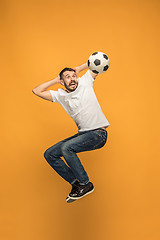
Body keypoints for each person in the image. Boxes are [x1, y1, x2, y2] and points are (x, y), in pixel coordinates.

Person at [32, 62, 110, 203]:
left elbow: (96, 62)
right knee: (50, 154)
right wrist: (56, 80)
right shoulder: (60, 95)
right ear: (62, 82)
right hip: (83, 135)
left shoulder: (85, 82)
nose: (73, 79)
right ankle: (77, 184)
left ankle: (85, 184)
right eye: (68, 77)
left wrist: (79, 69)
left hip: (98, 134)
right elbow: (37, 91)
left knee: (66, 148)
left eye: (74, 76)